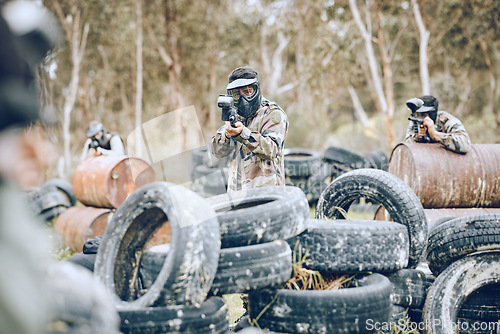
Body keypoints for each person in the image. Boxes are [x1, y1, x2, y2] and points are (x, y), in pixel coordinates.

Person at [210, 66, 288, 191]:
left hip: (267, 194)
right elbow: (217, 152)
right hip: (238, 195)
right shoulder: (235, 114)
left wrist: (243, 134)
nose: (242, 98)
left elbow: (272, 150)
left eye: (247, 91)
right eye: (237, 94)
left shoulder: (272, 113)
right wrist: (227, 135)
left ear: (256, 89)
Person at [404, 95, 471, 154]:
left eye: (423, 114)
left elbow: (465, 145)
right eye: (418, 114)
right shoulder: (415, 122)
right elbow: (407, 149)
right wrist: (418, 138)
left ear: (432, 113)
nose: (420, 117)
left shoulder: (446, 120)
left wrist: (436, 134)